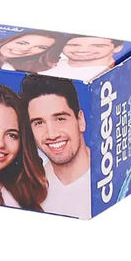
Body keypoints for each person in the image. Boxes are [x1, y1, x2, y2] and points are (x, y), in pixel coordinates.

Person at [20, 74, 91, 218]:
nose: (52, 134)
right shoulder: (31, 190)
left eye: (60, 119)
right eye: (39, 123)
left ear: (80, 121)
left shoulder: (110, 174)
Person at [41, 36, 123, 81]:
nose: (82, 50)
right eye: (73, 45)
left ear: (117, 48)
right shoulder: (45, 67)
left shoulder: (114, 75)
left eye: (97, 46)